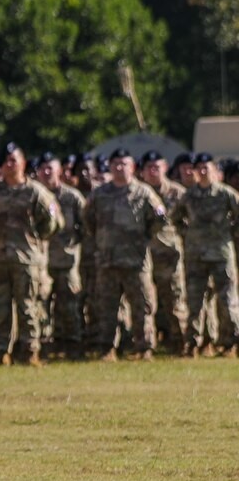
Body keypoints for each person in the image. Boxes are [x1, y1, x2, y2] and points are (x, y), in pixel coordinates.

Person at [0, 145, 62, 367]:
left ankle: (29, 351)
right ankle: (1, 352)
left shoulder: (35, 192)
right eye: (5, 160)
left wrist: (37, 240)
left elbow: (54, 221)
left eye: (14, 160)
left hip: (26, 260)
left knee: (27, 306)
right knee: (0, 307)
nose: (9, 164)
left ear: (23, 163)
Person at [85, 149, 167, 361]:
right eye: (115, 164)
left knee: (142, 305)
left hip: (136, 260)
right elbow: (88, 219)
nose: (119, 168)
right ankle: (107, 348)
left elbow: (159, 219)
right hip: (107, 260)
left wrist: (144, 237)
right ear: (110, 168)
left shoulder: (144, 193)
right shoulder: (99, 194)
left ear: (132, 167)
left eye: (124, 164)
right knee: (106, 306)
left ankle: (143, 347)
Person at [174, 153, 239, 357]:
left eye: (206, 168)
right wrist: (188, 233)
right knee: (194, 302)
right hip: (196, 256)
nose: (202, 172)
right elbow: (174, 218)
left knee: (228, 301)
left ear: (214, 170)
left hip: (221, 254)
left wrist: (230, 232)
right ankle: (193, 343)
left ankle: (232, 342)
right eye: (199, 168)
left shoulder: (225, 194)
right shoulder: (189, 195)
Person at [35, 154, 87, 358]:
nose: (47, 173)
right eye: (43, 169)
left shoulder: (72, 197)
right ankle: (46, 345)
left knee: (70, 305)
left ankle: (72, 345)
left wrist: (73, 245)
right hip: (41, 262)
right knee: (41, 305)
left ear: (59, 170)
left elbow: (86, 225)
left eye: (51, 168)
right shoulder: (34, 194)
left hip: (66, 261)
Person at [139, 153, 190, 354]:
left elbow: (190, 222)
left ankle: (181, 342)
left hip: (170, 257)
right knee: (147, 302)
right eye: (149, 167)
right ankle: (149, 343)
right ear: (142, 171)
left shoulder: (178, 193)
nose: (153, 171)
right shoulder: (139, 193)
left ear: (165, 167)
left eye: (157, 167)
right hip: (145, 256)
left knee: (175, 301)